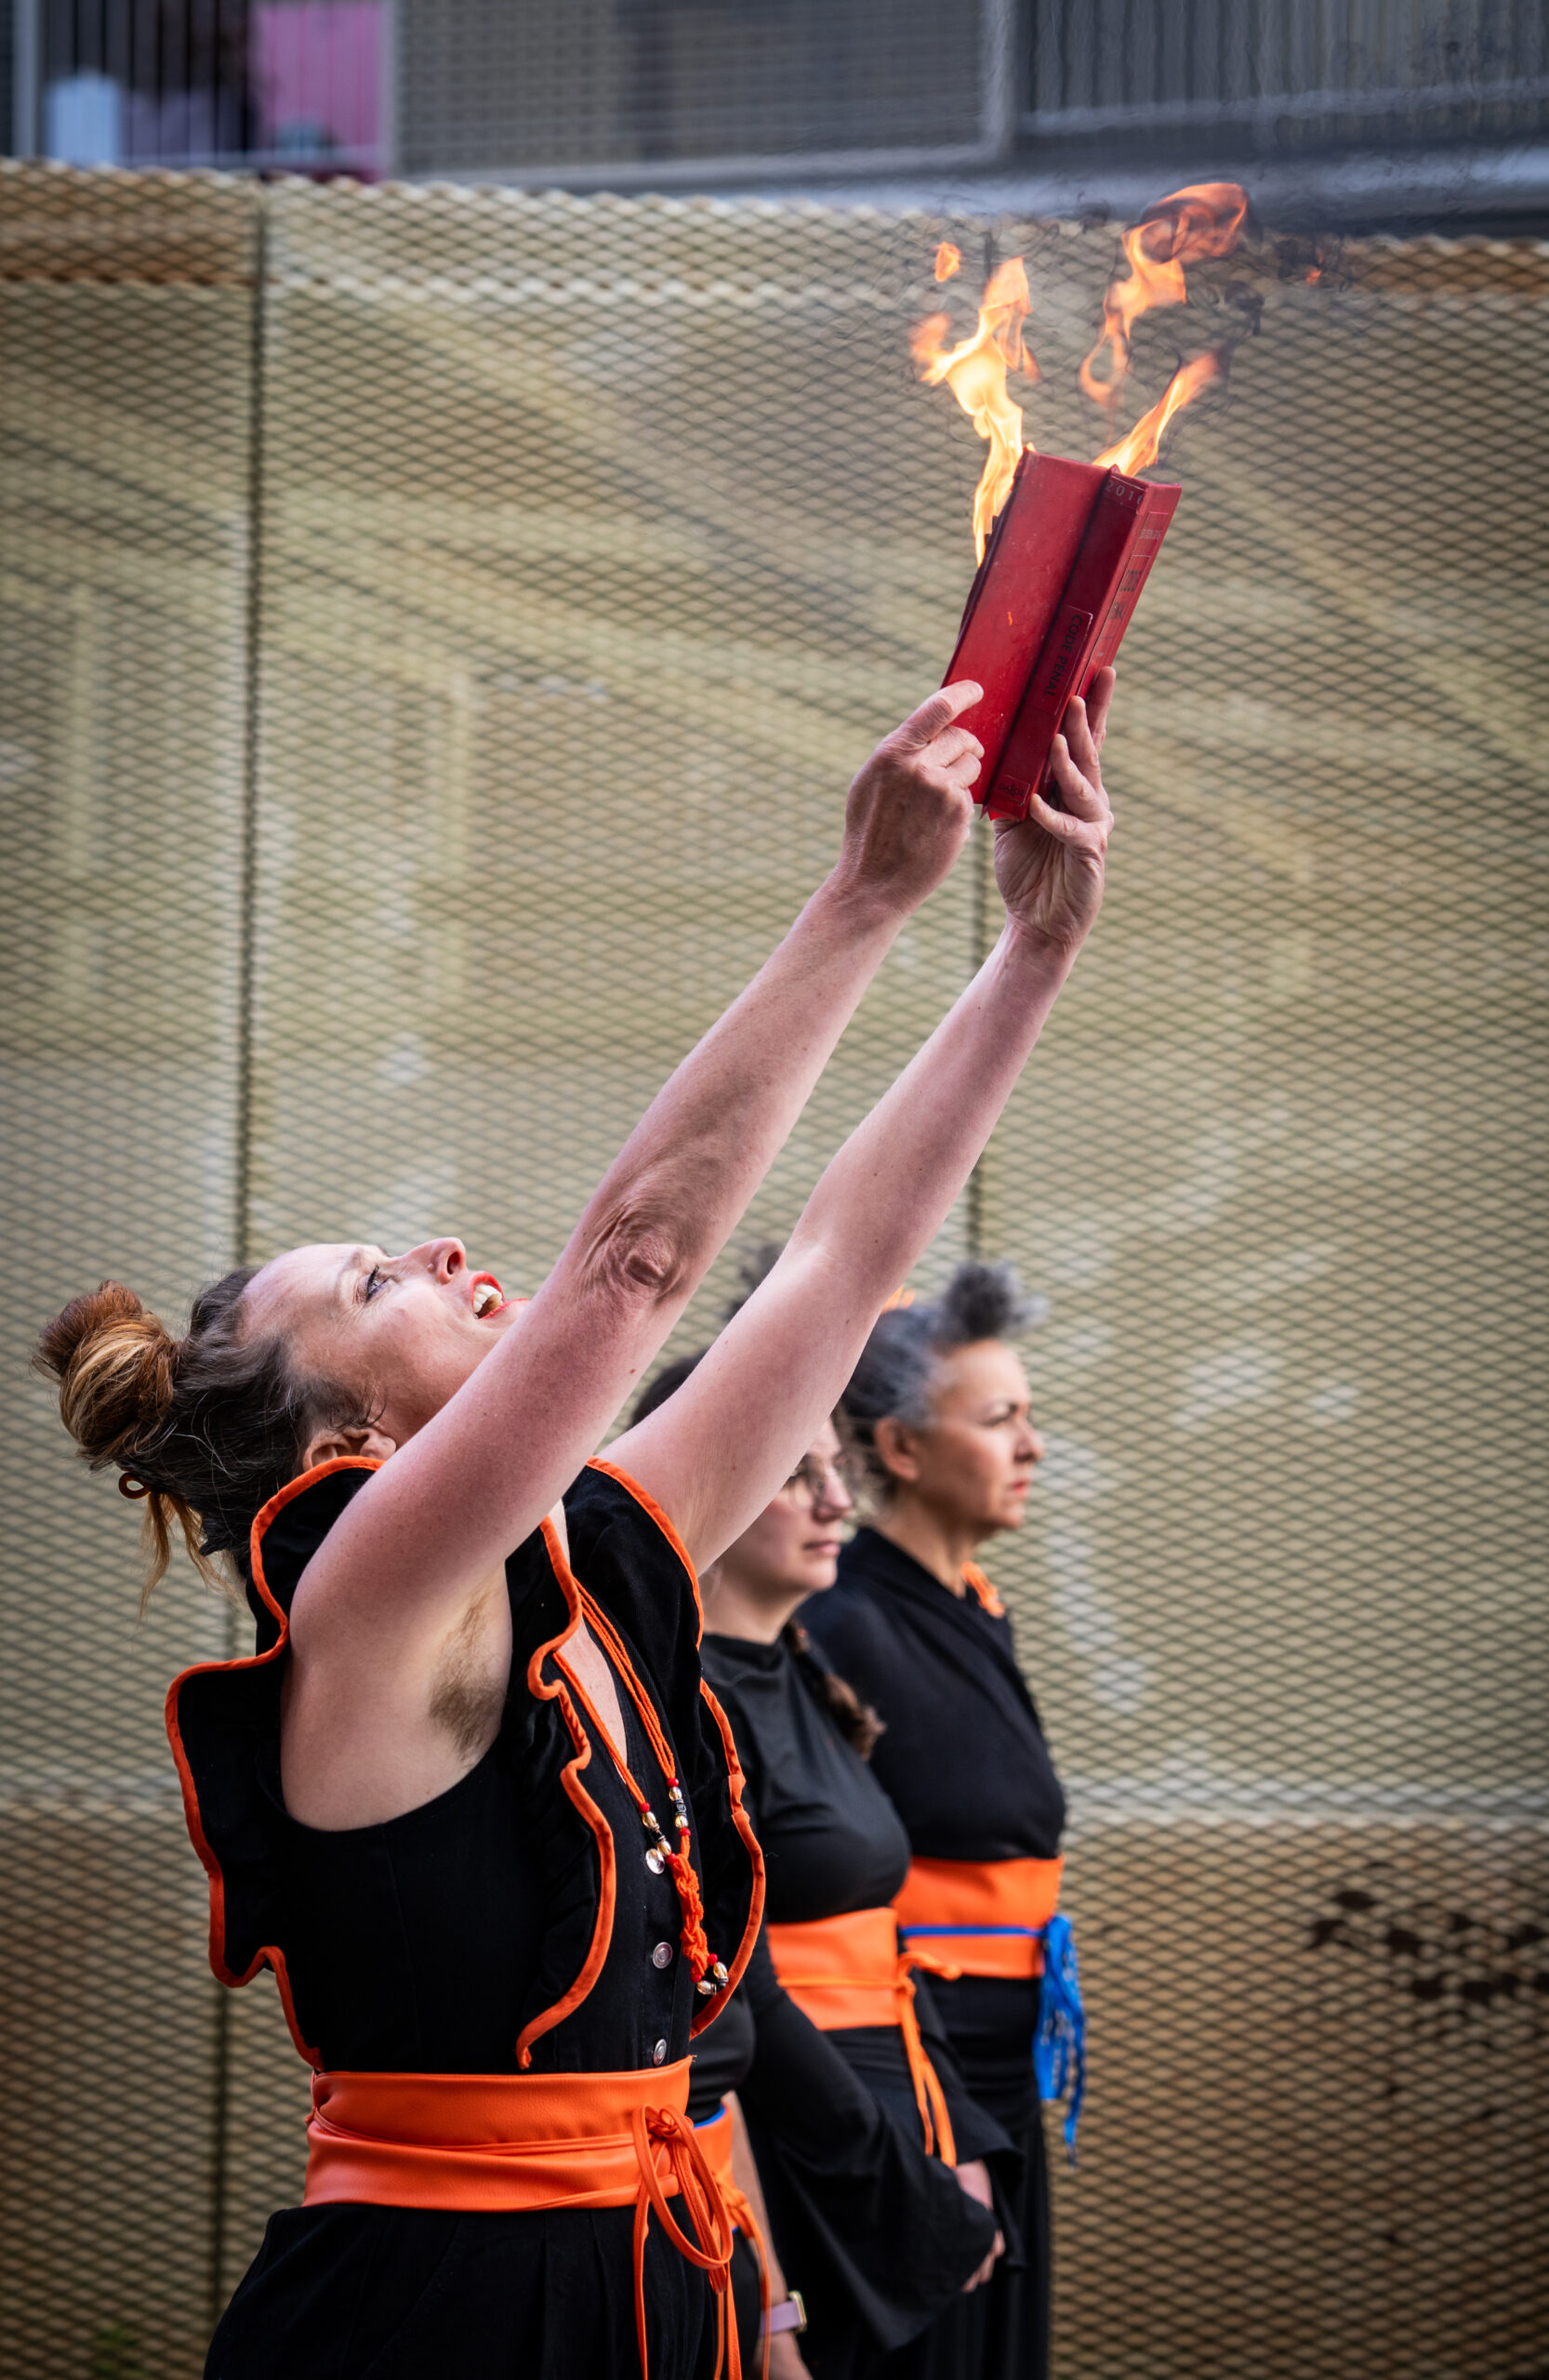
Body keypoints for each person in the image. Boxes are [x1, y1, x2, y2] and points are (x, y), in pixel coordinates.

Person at [36, 668, 1114, 2380]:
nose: (444, 1253)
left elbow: (838, 1266)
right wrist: (862, 897)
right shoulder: (363, 1600)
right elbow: (635, 1265)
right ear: (349, 1441)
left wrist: (1032, 950)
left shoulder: (592, 1562)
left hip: (648, 2280)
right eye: (376, 1284)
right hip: (440, 2316)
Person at [632, 1349, 1008, 2379]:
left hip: (899, 2126)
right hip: (810, 2163)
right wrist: (888, 2201)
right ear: (707, 1482)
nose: (839, 1500)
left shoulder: (802, 1667)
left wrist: (958, 2138)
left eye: (835, 1468)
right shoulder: (686, 1703)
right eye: (798, 1474)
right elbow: (735, 2004)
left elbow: (887, 1946)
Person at [803, 1263, 1074, 2380]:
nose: (1032, 1445)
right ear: (902, 1448)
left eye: (1028, 1415)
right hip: (916, 2082)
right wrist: (939, 2121)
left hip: (1003, 2067)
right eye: (1000, 1418)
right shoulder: (844, 1621)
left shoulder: (973, 1608)